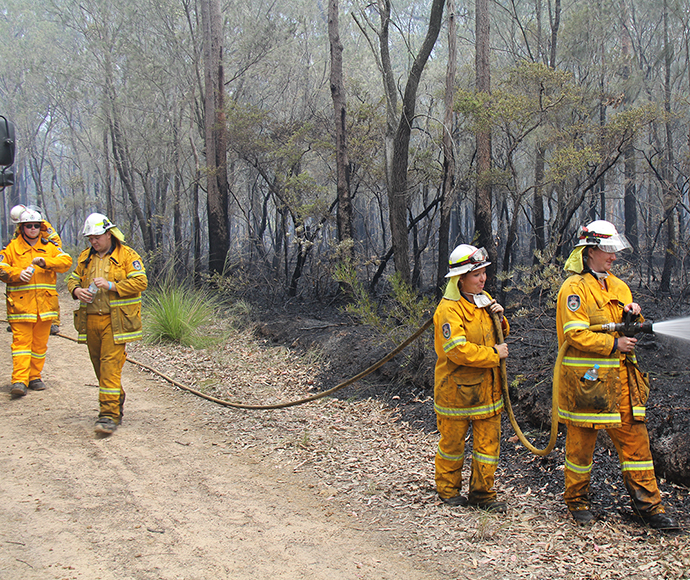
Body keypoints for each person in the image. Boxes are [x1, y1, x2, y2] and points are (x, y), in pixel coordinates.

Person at [557, 220, 679, 530]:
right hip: (588, 384)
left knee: (637, 446)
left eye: (614, 250)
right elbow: (575, 335)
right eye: (608, 251)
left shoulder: (619, 285)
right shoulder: (574, 289)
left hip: (622, 383)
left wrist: (635, 315)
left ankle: (650, 508)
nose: (613, 257)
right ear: (590, 252)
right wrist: (614, 343)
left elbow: (631, 328)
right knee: (581, 446)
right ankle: (577, 502)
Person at [433, 244, 509, 513]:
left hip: (487, 393)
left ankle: (482, 494)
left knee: (488, 447)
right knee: (452, 446)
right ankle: (448, 491)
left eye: (484, 273)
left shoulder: (483, 299)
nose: (483, 279)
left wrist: (500, 320)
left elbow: (496, 334)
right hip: (456, 393)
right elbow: (456, 350)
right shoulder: (448, 310)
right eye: (476, 274)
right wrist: (493, 354)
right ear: (460, 278)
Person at [66, 213, 147, 435]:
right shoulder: (85, 257)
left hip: (116, 321)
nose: (93, 241)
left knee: (110, 366)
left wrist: (111, 285)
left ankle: (108, 415)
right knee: (99, 368)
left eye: (97, 237)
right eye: (90, 238)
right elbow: (72, 277)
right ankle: (115, 397)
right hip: (91, 320)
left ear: (109, 234)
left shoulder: (127, 255)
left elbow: (141, 281)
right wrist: (76, 290)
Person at [0, 206, 72, 398]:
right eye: (28, 226)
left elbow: (66, 261)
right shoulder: (12, 248)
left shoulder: (49, 247)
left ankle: (35, 377)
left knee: (39, 345)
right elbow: (1, 268)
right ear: (22, 227)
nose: (32, 229)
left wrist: (46, 262)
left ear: (41, 227)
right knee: (21, 345)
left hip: (45, 308)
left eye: (36, 226)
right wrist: (16, 274)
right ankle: (19, 381)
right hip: (21, 307)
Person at [8, 204, 64, 335]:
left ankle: (53, 322)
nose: (32, 228)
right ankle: (19, 319)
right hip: (26, 258)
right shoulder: (22, 225)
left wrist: (47, 258)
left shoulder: (42, 225)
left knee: (48, 293)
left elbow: (56, 243)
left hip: (45, 259)